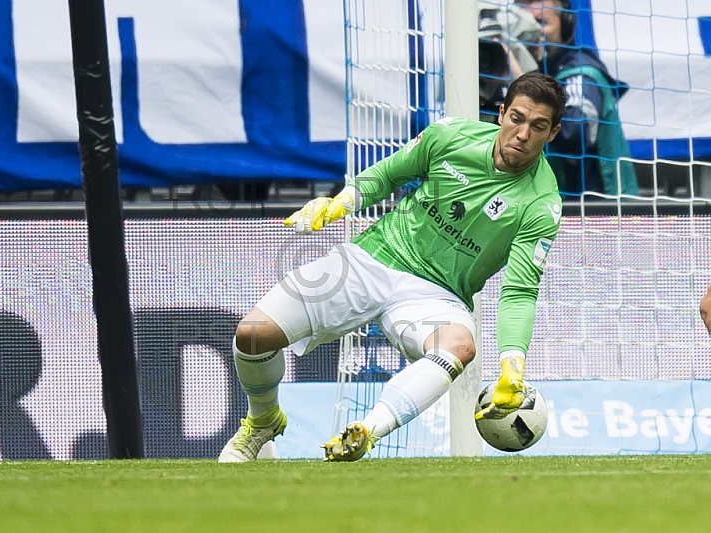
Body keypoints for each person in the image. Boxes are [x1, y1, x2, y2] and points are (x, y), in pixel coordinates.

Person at [218, 72, 567, 463]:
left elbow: (519, 291)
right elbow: (386, 175)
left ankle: (366, 432)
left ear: (552, 134)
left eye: (537, 126)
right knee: (251, 335)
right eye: (517, 118)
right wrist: (342, 202)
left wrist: (512, 367)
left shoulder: (542, 204)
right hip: (375, 257)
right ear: (501, 113)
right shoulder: (449, 136)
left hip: (437, 295)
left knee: (460, 346)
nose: (523, 133)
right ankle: (263, 419)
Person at [515, 0, 639, 198]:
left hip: (599, 213)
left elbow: (574, 134)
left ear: (566, 26)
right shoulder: (528, 71)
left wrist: (519, 83)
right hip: (549, 206)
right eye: (522, 24)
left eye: (541, 23)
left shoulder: (580, 74)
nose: (532, 33)